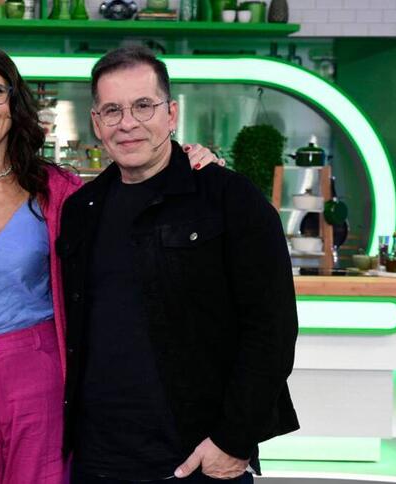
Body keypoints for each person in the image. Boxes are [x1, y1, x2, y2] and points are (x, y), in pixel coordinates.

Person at [0, 43, 223, 484]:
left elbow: (125, 217)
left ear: (14, 101)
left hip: (40, 373)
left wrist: (186, 160)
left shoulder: (58, 187)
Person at [58, 45, 300, 484]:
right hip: (98, 458)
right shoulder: (81, 209)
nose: (127, 122)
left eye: (143, 106)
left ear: (171, 114)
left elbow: (272, 331)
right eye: (111, 110)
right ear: (96, 123)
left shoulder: (229, 199)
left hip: (195, 459)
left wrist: (234, 440)